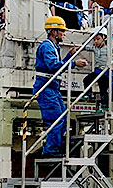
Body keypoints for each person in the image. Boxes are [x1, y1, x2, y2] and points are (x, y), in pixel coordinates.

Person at [33, 16, 87, 156]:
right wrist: (74, 63)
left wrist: (70, 56)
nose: (64, 34)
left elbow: (56, 66)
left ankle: (53, 148)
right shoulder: (46, 46)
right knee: (55, 119)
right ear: (54, 32)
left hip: (53, 88)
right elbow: (53, 66)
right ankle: (50, 151)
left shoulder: (53, 47)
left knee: (63, 118)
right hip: (46, 88)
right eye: (61, 31)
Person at [82, 32, 112, 110]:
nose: (96, 42)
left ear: (104, 39)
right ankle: (88, 94)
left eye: (98, 39)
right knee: (86, 80)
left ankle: (105, 106)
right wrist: (78, 48)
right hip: (97, 71)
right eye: (94, 40)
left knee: (103, 90)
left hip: (105, 72)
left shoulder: (108, 48)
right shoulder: (95, 48)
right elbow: (86, 47)